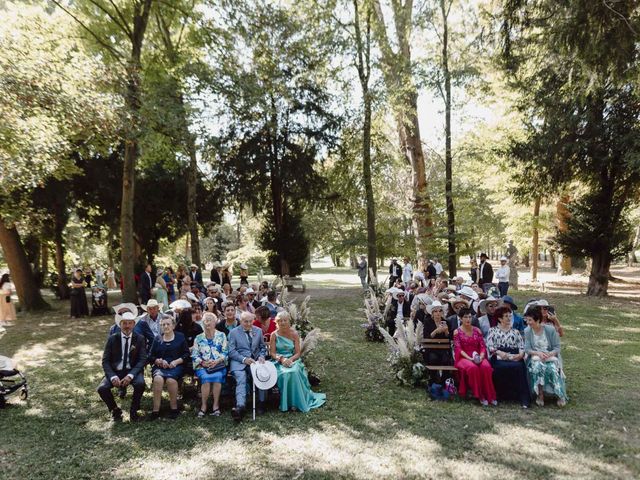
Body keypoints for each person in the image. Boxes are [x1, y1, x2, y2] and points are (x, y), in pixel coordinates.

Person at [270, 311, 326, 412]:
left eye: (285, 320)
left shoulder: (294, 334)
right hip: (279, 361)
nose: (282, 323)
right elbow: (272, 353)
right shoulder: (274, 335)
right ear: (277, 322)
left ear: (289, 321)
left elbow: (298, 353)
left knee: (294, 372)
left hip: (293, 359)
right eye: (280, 321)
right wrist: (282, 359)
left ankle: (296, 402)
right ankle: (286, 403)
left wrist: (290, 360)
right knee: (284, 374)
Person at [97, 311, 147, 422]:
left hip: (132, 370)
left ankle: (133, 411)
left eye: (130, 323)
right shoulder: (112, 338)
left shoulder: (139, 339)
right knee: (102, 388)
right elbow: (105, 361)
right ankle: (115, 410)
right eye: (124, 323)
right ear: (120, 324)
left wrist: (130, 375)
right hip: (116, 371)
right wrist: (113, 377)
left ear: (134, 324)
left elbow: (142, 359)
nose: (127, 326)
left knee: (140, 384)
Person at [486, 306, 530, 408]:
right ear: (500, 318)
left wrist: (521, 355)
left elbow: (521, 346)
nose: (509, 318)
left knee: (519, 367)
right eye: (506, 316)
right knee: (499, 367)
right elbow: (490, 346)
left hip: (515, 356)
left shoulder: (515, 332)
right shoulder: (492, 331)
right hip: (498, 356)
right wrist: (499, 352)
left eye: (510, 316)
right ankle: (498, 396)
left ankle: (523, 398)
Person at [524, 306, 568, 407]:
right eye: (527, 320)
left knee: (552, 369)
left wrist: (550, 354)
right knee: (537, 368)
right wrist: (538, 353)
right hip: (536, 357)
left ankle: (559, 394)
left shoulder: (550, 330)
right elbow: (527, 349)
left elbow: (557, 347)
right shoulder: (527, 331)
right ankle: (540, 395)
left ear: (537, 319)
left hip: (550, 356)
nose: (528, 322)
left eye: (530, 320)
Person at [228, 312, 268, 421]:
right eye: (246, 321)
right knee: (241, 378)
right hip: (239, 362)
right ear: (241, 321)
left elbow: (262, 348)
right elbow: (231, 351)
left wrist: (261, 356)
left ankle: (261, 403)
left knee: (261, 376)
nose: (249, 324)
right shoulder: (233, 332)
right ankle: (240, 407)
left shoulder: (258, 331)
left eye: (251, 321)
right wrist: (244, 359)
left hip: (255, 361)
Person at [453, 308, 497, 406]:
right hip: (463, 357)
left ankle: (490, 395)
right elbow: (458, 349)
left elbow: (482, 346)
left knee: (486, 367)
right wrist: (469, 359)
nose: (468, 319)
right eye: (465, 317)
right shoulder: (457, 332)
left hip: (477, 355)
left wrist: (481, 356)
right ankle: (480, 395)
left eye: (470, 317)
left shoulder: (477, 330)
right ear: (460, 319)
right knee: (473, 368)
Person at [148, 317, 190, 420]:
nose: (166, 326)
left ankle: (174, 408)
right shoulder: (157, 338)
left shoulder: (180, 337)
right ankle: (155, 410)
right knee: (158, 379)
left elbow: (186, 354)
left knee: (171, 380)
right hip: (160, 367)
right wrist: (158, 360)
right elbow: (150, 356)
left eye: (168, 324)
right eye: (163, 325)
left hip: (176, 365)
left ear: (173, 326)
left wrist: (176, 362)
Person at [192, 312, 228, 417]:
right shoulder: (198, 338)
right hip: (203, 366)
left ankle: (215, 406)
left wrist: (216, 361)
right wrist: (203, 362)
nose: (207, 323)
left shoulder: (221, 335)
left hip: (218, 365)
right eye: (205, 320)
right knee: (206, 379)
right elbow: (195, 355)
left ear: (215, 322)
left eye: (210, 320)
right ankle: (204, 406)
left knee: (217, 377)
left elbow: (225, 352)